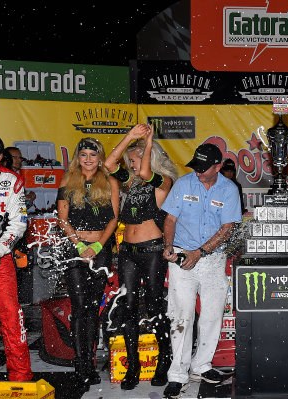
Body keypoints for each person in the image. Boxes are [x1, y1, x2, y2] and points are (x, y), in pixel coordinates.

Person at [161, 143, 242, 399]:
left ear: (218, 166)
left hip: (213, 260)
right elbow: (170, 219)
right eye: (196, 167)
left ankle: (201, 365)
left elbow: (228, 228)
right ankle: (177, 374)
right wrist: (168, 246)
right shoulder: (184, 184)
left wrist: (201, 253)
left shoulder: (229, 190)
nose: (198, 172)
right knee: (180, 316)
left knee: (212, 315)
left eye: (204, 169)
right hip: (182, 256)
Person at [104, 123, 177, 389]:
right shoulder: (131, 183)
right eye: (131, 162)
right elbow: (109, 162)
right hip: (128, 252)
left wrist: (146, 143)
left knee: (156, 306)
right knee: (129, 307)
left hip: (153, 251)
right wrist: (131, 137)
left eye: (134, 161)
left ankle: (164, 361)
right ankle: (132, 365)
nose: (132, 166)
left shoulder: (163, 181)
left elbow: (146, 171)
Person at [56, 137, 119, 391]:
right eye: (84, 155)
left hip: (100, 250)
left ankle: (89, 365)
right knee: (80, 306)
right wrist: (81, 246)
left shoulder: (111, 182)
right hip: (74, 250)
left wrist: (97, 246)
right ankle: (80, 364)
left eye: (93, 155)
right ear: (77, 157)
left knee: (93, 308)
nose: (89, 159)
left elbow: (113, 220)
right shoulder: (67, 180)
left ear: (100, 157)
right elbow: (62, 219)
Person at [0, 133, 33, 381]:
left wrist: (0, 249)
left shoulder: (13, 181)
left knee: (10, 316)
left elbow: (19, 223)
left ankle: (21, 378)